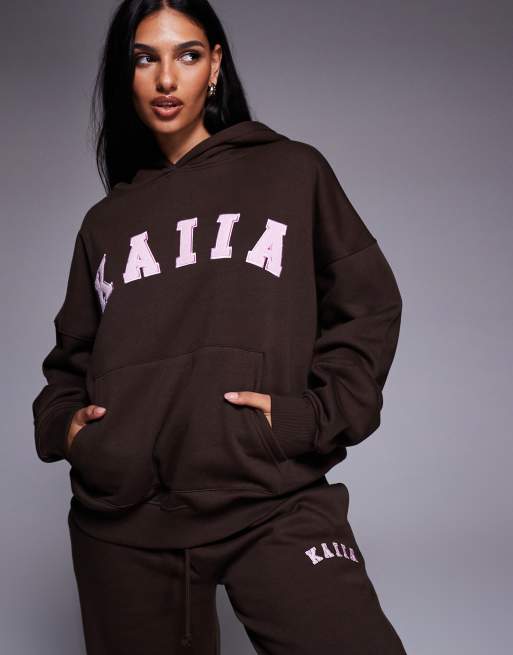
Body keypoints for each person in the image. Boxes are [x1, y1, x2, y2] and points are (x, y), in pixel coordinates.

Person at [32, 1, 408, 653]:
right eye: (145, 58)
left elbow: (368, 306)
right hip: (125, 523)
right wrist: (69, 429)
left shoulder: (290, 171)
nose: (166, 78)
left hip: (270, 494)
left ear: (214, 66)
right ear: (126, 75)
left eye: (186, 54)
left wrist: (306, 419)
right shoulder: (106, 223)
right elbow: (71, 360)